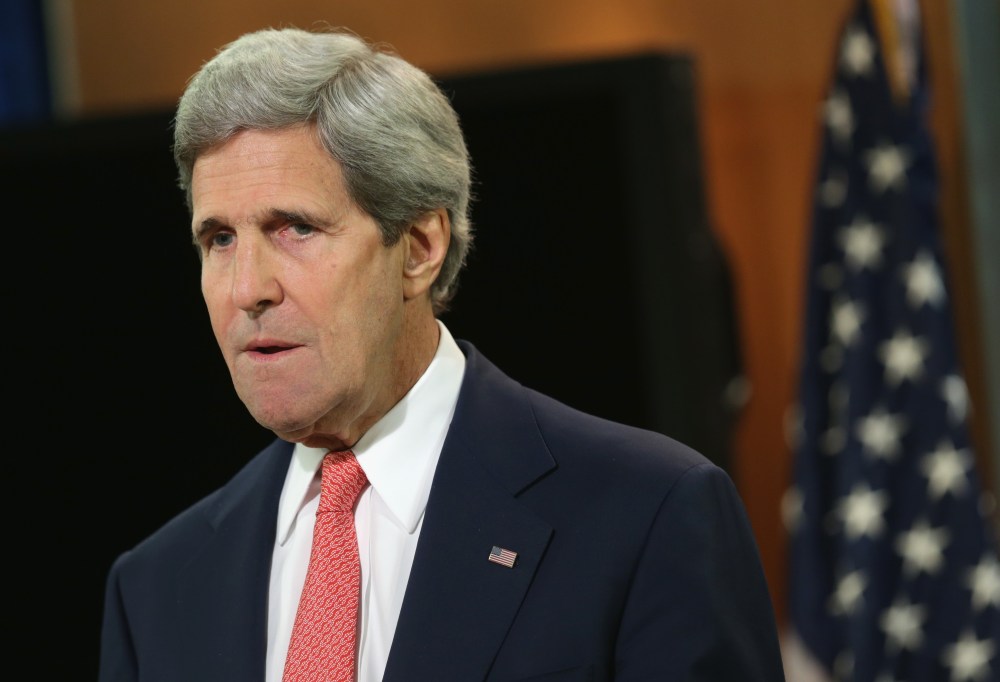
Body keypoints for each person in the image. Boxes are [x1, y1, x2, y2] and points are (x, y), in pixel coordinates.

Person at [98, 25, 786, 682]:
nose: (246, 288)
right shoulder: (157, 587)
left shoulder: (647, 516)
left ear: (420, 248)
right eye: (219, 239)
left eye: (295, 228)